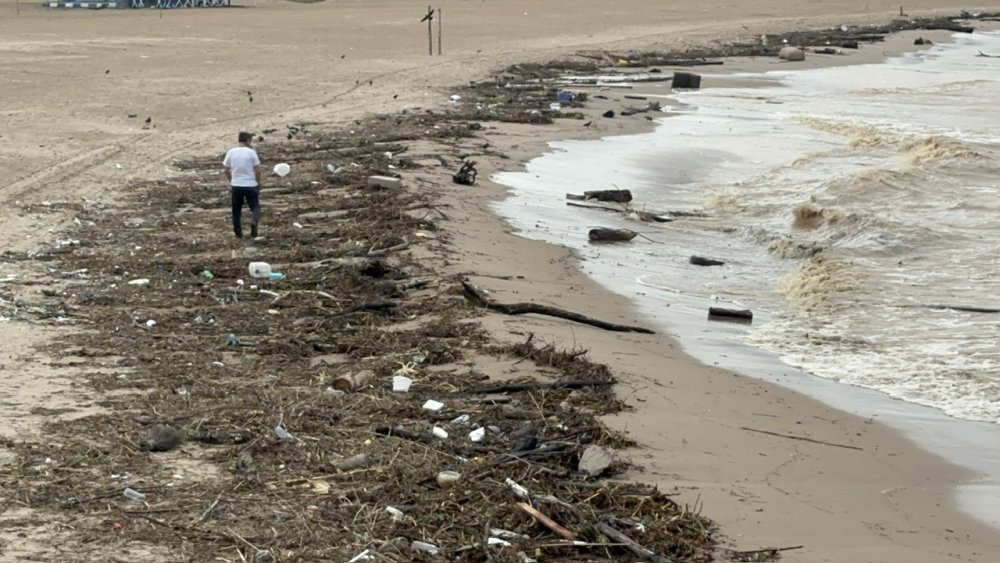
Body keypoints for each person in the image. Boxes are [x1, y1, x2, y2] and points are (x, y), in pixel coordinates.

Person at [223, 132, 262, 239]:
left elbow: (226, 170)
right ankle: (254, 221)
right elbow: (257, 170)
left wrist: (232, 180)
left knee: (236, 210)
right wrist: (257, 182)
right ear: (248, 140)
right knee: (255, 207)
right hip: (250, 184)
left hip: (236, 185)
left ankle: (238, 234)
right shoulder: (251, 153)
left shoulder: (231, 152)